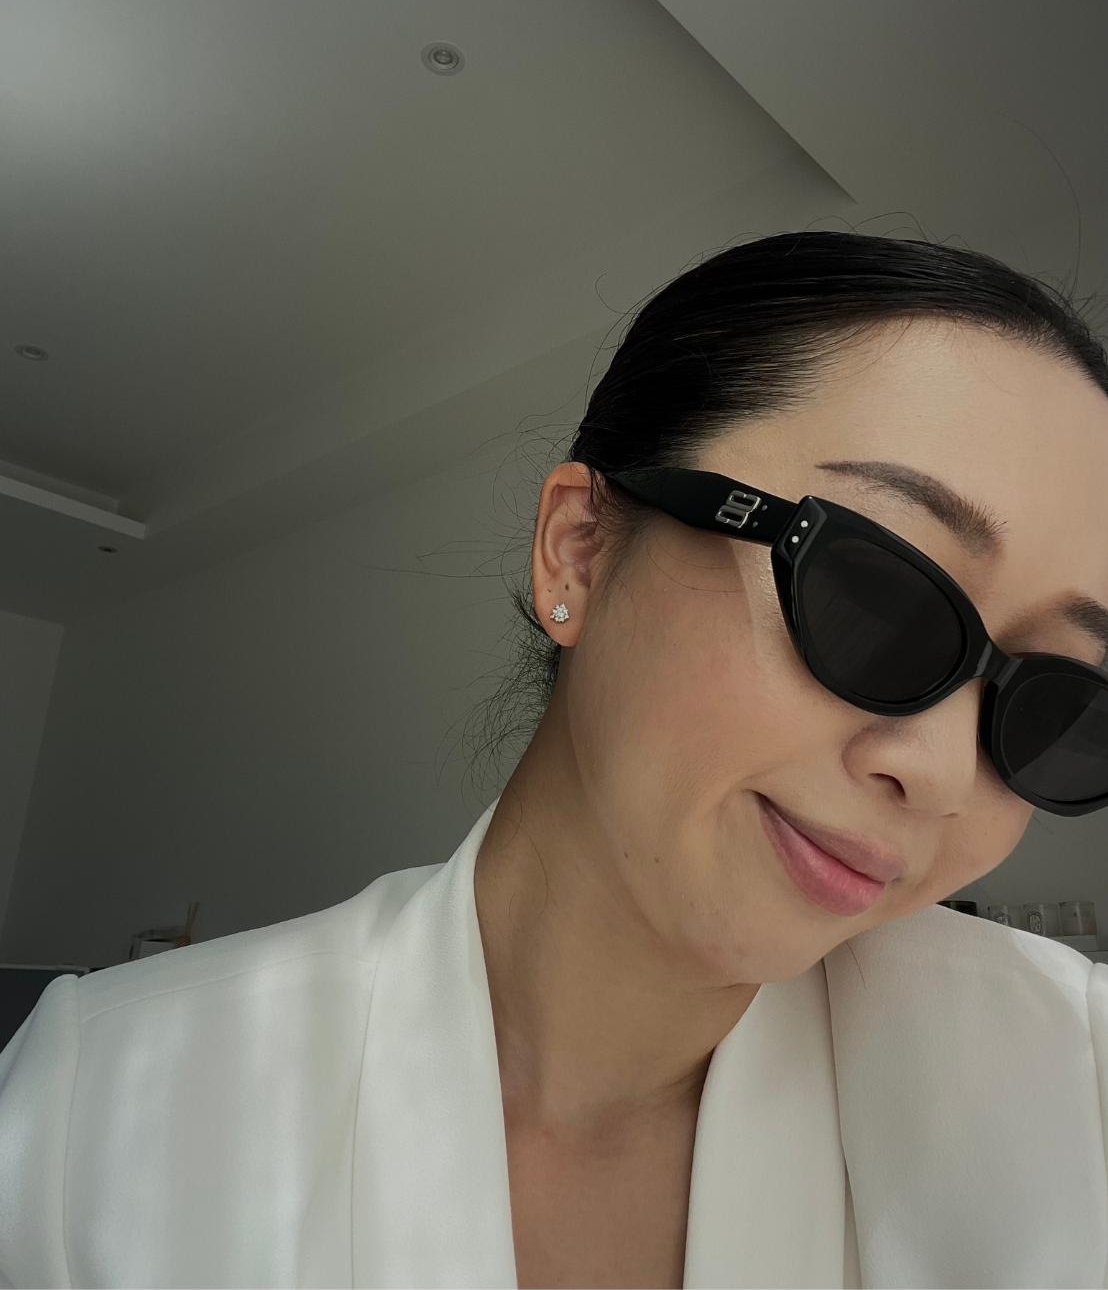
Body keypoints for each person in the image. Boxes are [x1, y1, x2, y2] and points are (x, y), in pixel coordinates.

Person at [4, 231, 1108, 1290]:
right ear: (578, 549)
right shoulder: (100, 1116)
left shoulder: (1070, 1087)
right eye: (875, 596)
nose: (942, 773)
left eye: (1054, 705)